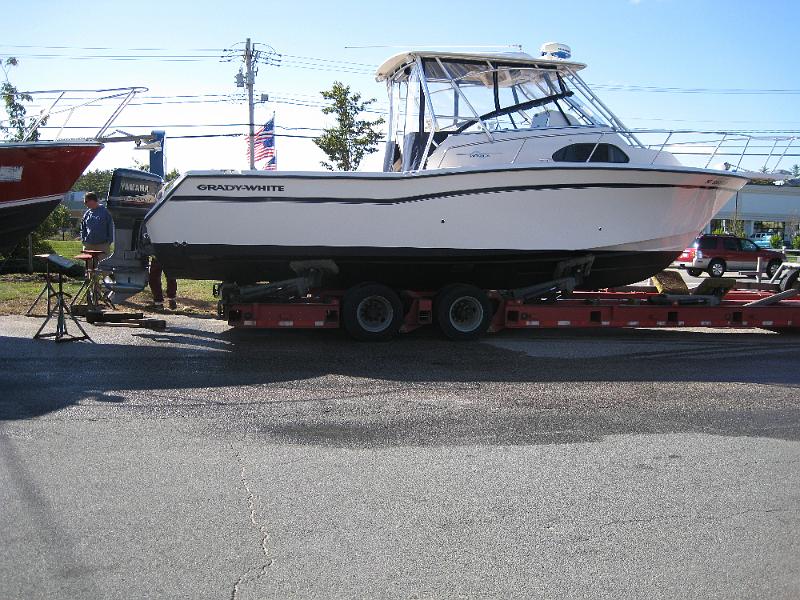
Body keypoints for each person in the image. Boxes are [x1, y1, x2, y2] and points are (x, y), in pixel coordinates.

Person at [80, 191, 114, 260]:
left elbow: (110, 227)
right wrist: (83, 239)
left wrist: (109, 241)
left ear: (92, 201)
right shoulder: (87, 213)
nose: (85, 204)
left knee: (102, 267)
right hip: (88, 245)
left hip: (102, 245)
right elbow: (83, 228)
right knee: (89, 266)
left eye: (86, 202)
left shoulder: (105, 212)